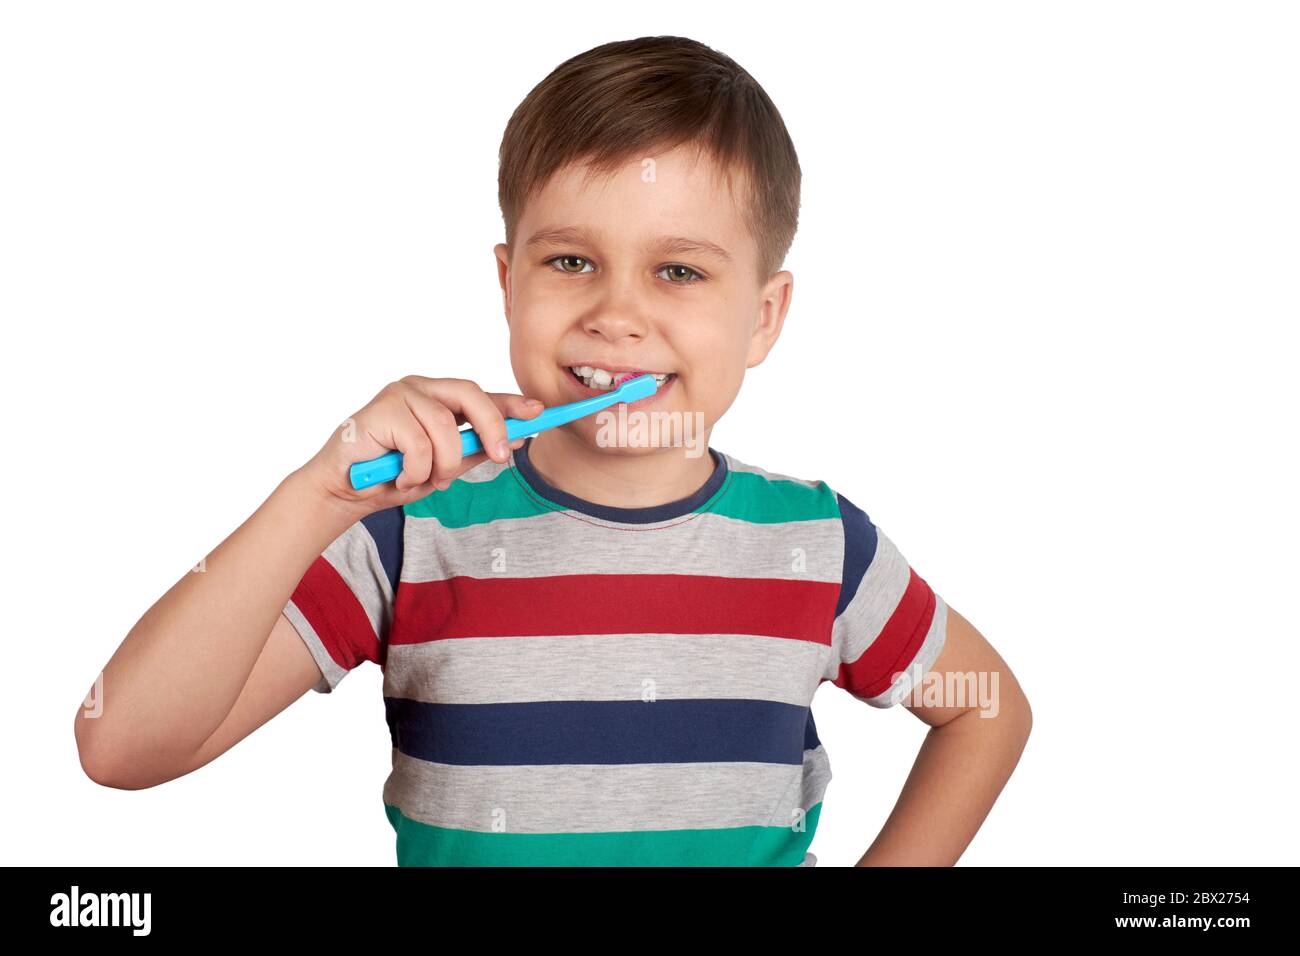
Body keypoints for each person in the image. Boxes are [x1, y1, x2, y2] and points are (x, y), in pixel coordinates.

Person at [75, 35, 1032, 866]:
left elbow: (986, 709)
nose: (617, 314)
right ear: (508, 280)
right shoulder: (408, 533)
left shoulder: (816, 545)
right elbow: (122, 749)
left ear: (764, 318)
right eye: (570, 261)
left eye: (679, 271)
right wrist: (313, 498)